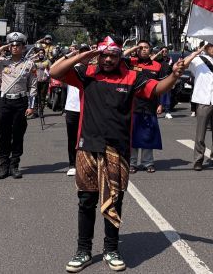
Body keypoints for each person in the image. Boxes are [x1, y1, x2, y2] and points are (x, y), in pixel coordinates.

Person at [50, 36, 182, 273]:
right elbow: (55, 72)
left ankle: (111, 249)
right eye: (104, 55)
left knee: (115, 199)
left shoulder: (132, 76)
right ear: (98, 56)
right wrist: (82, 55)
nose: (108, 60)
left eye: (113, 55)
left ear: (120, 56)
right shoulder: (86, 73)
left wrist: (174, 75)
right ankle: (83, 250)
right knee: (86, 201)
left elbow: (156, 89)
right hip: (88, 146)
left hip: (118, 148)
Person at [0, 32, 36, 180]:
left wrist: (31, 106)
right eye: (12, 45)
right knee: (4, 134)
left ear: (23, 47)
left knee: (18, 133)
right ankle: (3, 165)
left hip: (21, 102)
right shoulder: (1, 61)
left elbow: (33, 86)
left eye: (18, 45)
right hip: (5, 102)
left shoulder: (29, 64)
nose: (15, 47)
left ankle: (14, 165)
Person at [182, 43, 213, 171]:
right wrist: (197, 52)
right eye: (211, 46)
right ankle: (198, 160)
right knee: (200, 133)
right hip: (202, 100)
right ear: (206, 47)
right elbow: (183, 64)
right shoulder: (197, 61)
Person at [124, 40, 165, 174]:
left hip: (150, 105)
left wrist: (160, 103)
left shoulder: (157, 66)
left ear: (150, 49)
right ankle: (132, 163)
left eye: (146, 47)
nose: (143, 50)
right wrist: (133, 49)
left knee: (148, 135)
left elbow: (161, 86)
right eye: (140, 48)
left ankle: (148, 163)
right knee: (133, 135)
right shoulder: (131, 63)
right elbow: (121, 56)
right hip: (133, 104)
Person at [64, 44, 90, 177]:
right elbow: (56, 68)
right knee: (72, 137)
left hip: (88, 108)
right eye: (82, 53)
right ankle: (72, 164)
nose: (84, 56)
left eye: (87, 53)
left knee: (88, 137)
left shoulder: (94, 68)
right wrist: (71, 55)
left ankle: (87, 163)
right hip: (72, 108)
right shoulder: (72, 68)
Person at [33, 48, 51, 118]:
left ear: (44, 54)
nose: (41, 54)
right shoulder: (34, 61)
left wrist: (46, 77)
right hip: (36, 81)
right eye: (39, 53)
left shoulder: (47, 61)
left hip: (44, 81)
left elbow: (51, 70)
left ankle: (41, 112)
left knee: (42, 97)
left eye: (42, 53)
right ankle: (35, 112)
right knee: (35, 96)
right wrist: (34, 56)